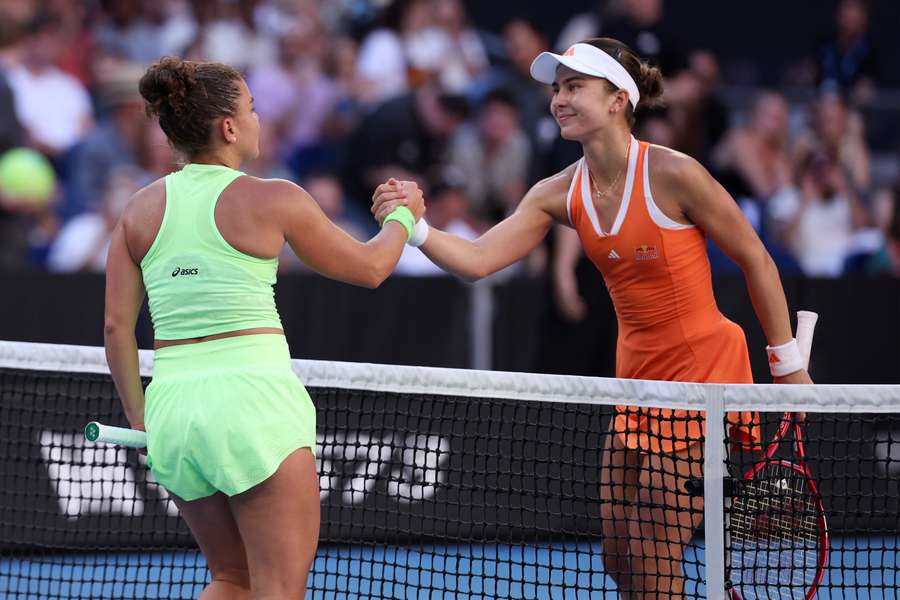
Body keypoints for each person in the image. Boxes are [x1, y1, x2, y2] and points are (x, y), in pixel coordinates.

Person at [372, 37, 812, 598]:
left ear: (617, 99)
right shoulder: (558, 192)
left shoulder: (675, 174)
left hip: (701, 375)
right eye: (557, 88)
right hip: (634, 378)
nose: (559, 98)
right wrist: (417, 225)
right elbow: (479, 259)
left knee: (654, 562)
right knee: (618, 557)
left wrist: (787, 363)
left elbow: (756, 258)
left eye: (574, 86)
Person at [104, 56, 423, 598]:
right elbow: (371, 268)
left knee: (232, 579)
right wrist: (403, 216)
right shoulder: (276, 198)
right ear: (228, 128)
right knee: (278, 588)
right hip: (253, 406)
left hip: (174, 414)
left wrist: (144, 423)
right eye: (252, 108)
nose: (258, 118)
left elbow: (116, 329)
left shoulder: (137, 209)